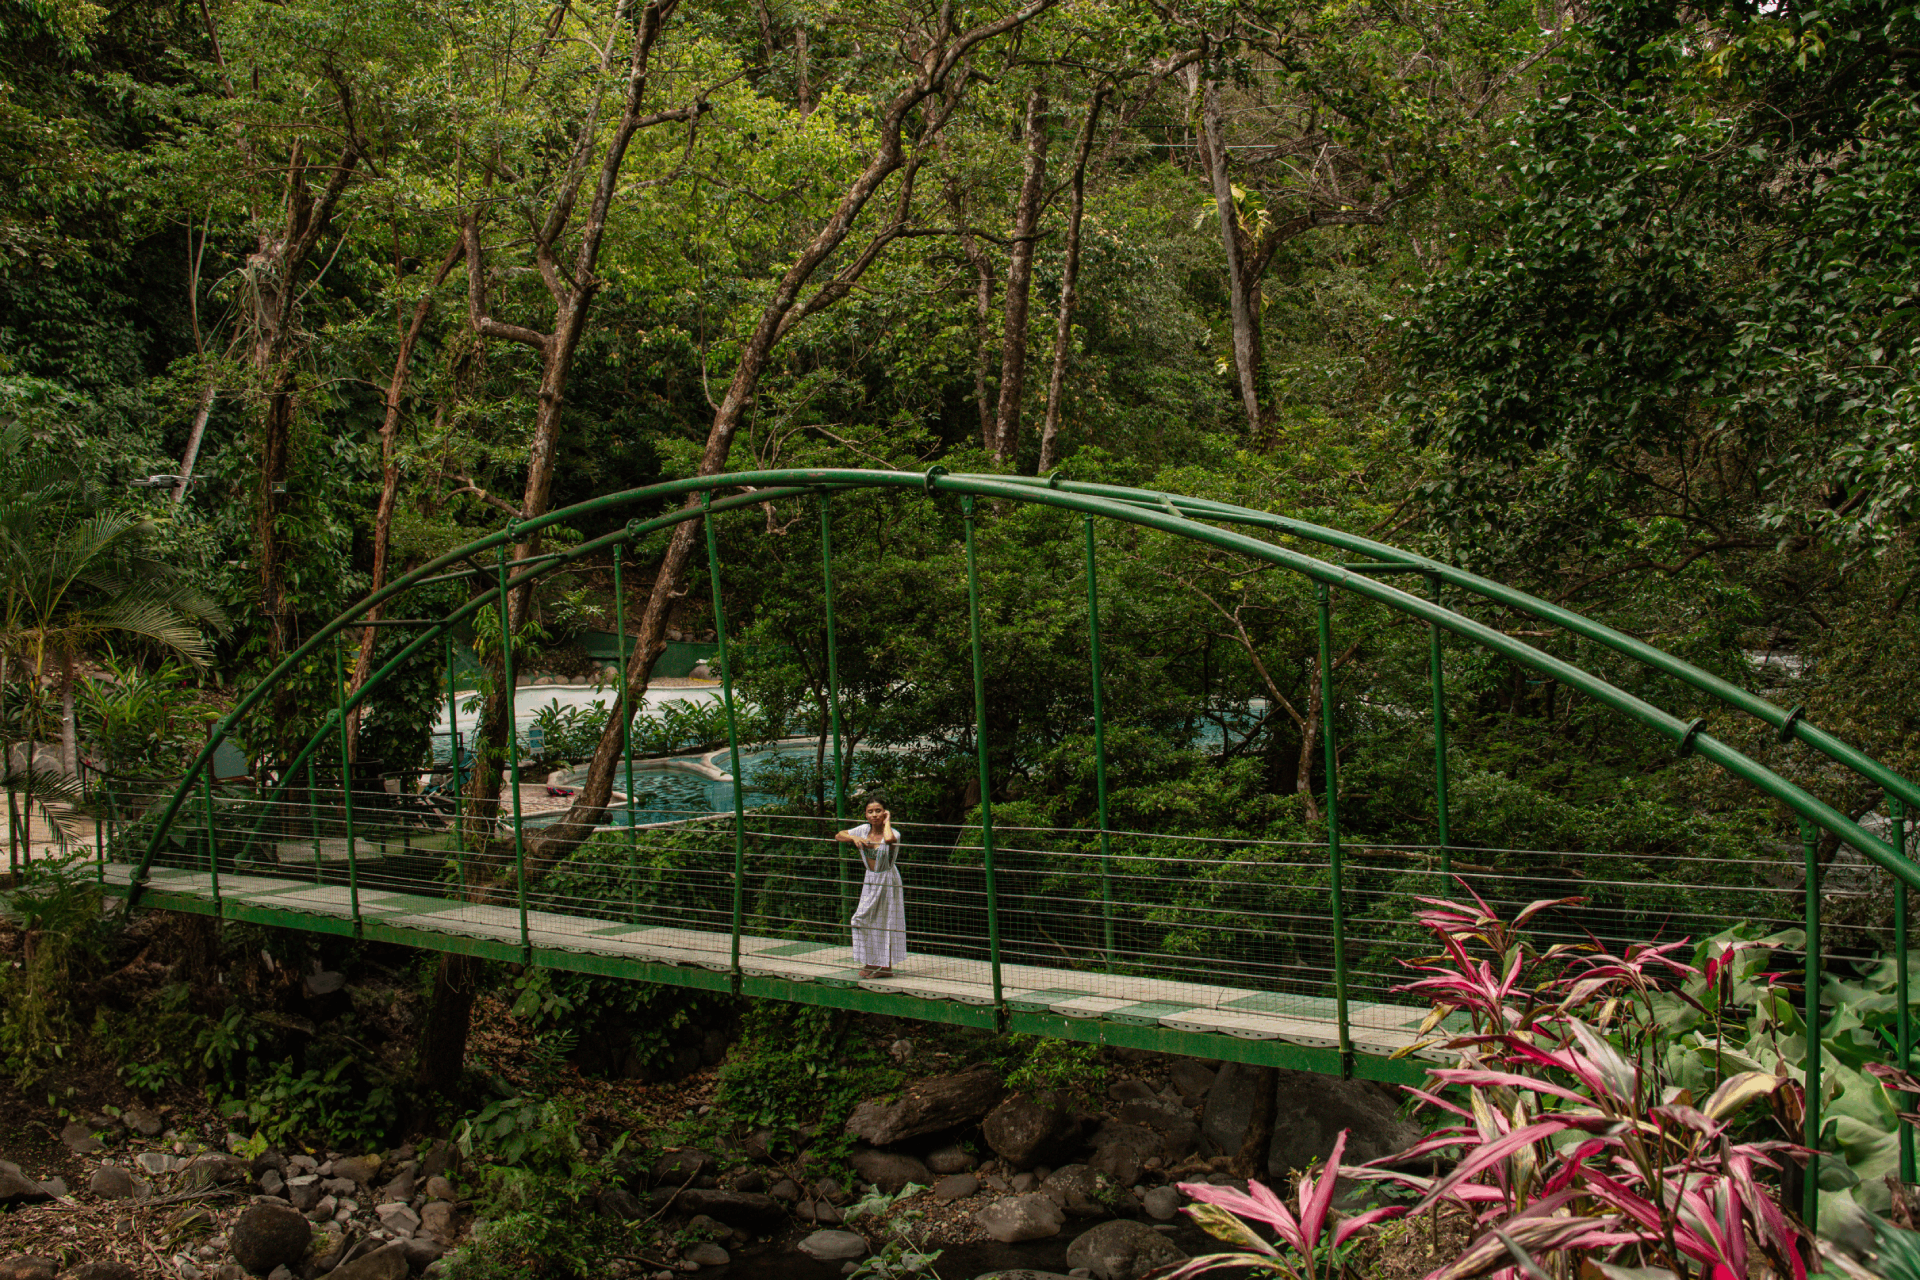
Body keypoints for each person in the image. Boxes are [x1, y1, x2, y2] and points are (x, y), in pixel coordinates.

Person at [837, 799, 905, 978]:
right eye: (870, 811)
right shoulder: (862, 830)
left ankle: (886, 968)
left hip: (887, 878)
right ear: (865, 815)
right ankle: (871, 962)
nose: (874, 815)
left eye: (879, 811)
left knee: (886, 921)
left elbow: (889, 839)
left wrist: (888, 820)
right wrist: (853, 837)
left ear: (885, 812)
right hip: (871, 879)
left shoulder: (892, 832)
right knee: (861, 919)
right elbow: (838, 835)